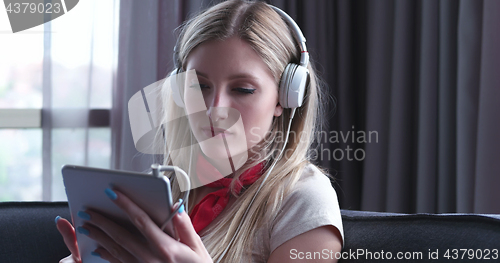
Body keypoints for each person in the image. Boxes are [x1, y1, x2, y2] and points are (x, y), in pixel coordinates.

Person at [56, 1, 343, 262]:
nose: (213, 109)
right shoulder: (154, 191)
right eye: (199, 86)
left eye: (243, 90)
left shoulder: (304, 201)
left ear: (285, 97)